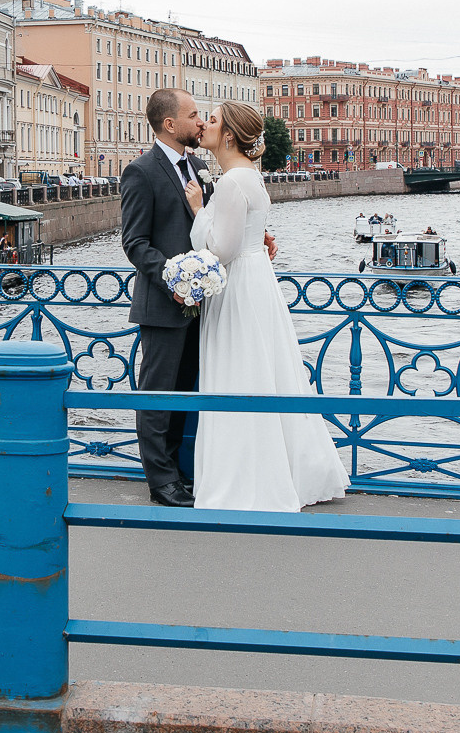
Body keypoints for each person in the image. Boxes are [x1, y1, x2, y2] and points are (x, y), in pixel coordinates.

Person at [185, 100, 347, 512]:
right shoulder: (249, 177)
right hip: (257, 280)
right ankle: (292, 469)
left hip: (238, 283)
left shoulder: (230, 182)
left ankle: (247, 479)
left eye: (213, 120)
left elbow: (220, 249)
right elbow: (249, 235)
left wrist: (198, 213)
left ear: (229, 135)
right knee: (267, 370)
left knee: (241, 371)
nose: (204, 124)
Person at [120, 88, 275, 509]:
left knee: (187, 393)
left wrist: (254, 237)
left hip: (205, 305)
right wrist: (174, 276)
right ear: (170, 125)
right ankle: (161, 481)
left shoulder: (200, 166)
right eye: (193, 116)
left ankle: (180, 471)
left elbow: (219, 227)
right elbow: (134, 243)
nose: (201, 122)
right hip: (165, 302)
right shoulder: (142, 171)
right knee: (157, 396)